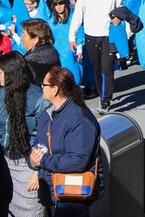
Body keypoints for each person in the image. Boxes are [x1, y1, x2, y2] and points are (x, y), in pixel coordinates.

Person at [30, 66, 101, 217]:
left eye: (44, 85)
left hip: (71, 196)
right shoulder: (47, 114)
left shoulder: (79, 119)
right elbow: (39, 144)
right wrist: (34, 160)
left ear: (55, 89)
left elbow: (77, 160)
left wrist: (43, 160)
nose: (41, 88)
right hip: (52, 190)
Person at [69, 0, 123, 114]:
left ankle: (106, 100)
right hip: (91, 36)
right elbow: (78, 14)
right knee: (97, 69)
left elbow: (121, 9)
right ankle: (101, 93)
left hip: (108, 36)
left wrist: (119, 18)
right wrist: (72, 36)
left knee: (107, 68)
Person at [0, 52, 48, 217]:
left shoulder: (37, 98)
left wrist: (37, 171)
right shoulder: (2, 94)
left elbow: (45, 137)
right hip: (6, 163)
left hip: (28, 165)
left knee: (32, 212)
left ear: (11, 72)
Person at [20, 19, 61, 86]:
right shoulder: (52, 54)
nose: (21, 38)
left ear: (35, 40)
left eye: (23, 33)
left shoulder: (31, 63)